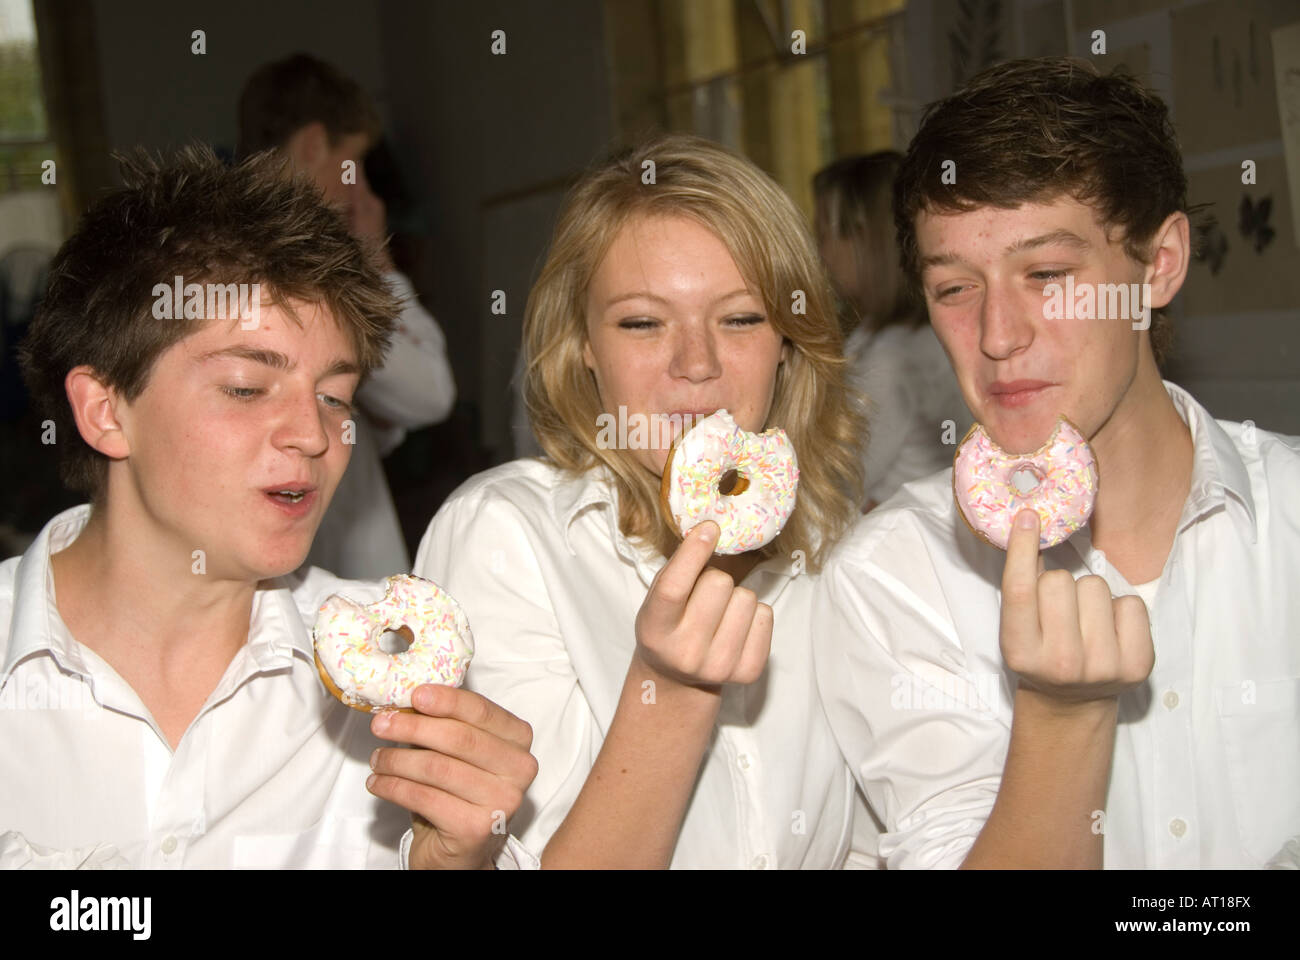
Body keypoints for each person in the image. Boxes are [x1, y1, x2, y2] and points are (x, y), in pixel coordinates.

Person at [812, 58, 1300, 868]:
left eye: (1046, 275)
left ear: (1161, 264)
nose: (999, 336)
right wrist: (1060, 719)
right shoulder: (897, 578)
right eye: (955, 289)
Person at [1, 145, 536, 869]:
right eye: (247, 388)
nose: (315, 435)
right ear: (105, 411)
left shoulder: (394, 696)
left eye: (336, 397)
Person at [413, 133, 880, 868]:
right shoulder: (508, 538)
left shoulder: (836, 540)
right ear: (583, 345)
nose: (697, 365)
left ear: (789, 342)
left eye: (740, 318)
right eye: (642, 322)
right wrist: (669, 692)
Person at [238, 53, 456, 578]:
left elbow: (395, 406)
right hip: (329, 571)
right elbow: (430, 393)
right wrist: (378, 264)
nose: (359, 189)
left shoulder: (220, 254)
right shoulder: (303, 271)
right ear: (314, 145)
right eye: (352, 163)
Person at [813, 152, 970, 509]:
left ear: (866, 240)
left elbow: (835, 486)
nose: (821, 253)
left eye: (825, 234)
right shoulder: (901, 337)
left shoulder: (891, 357)